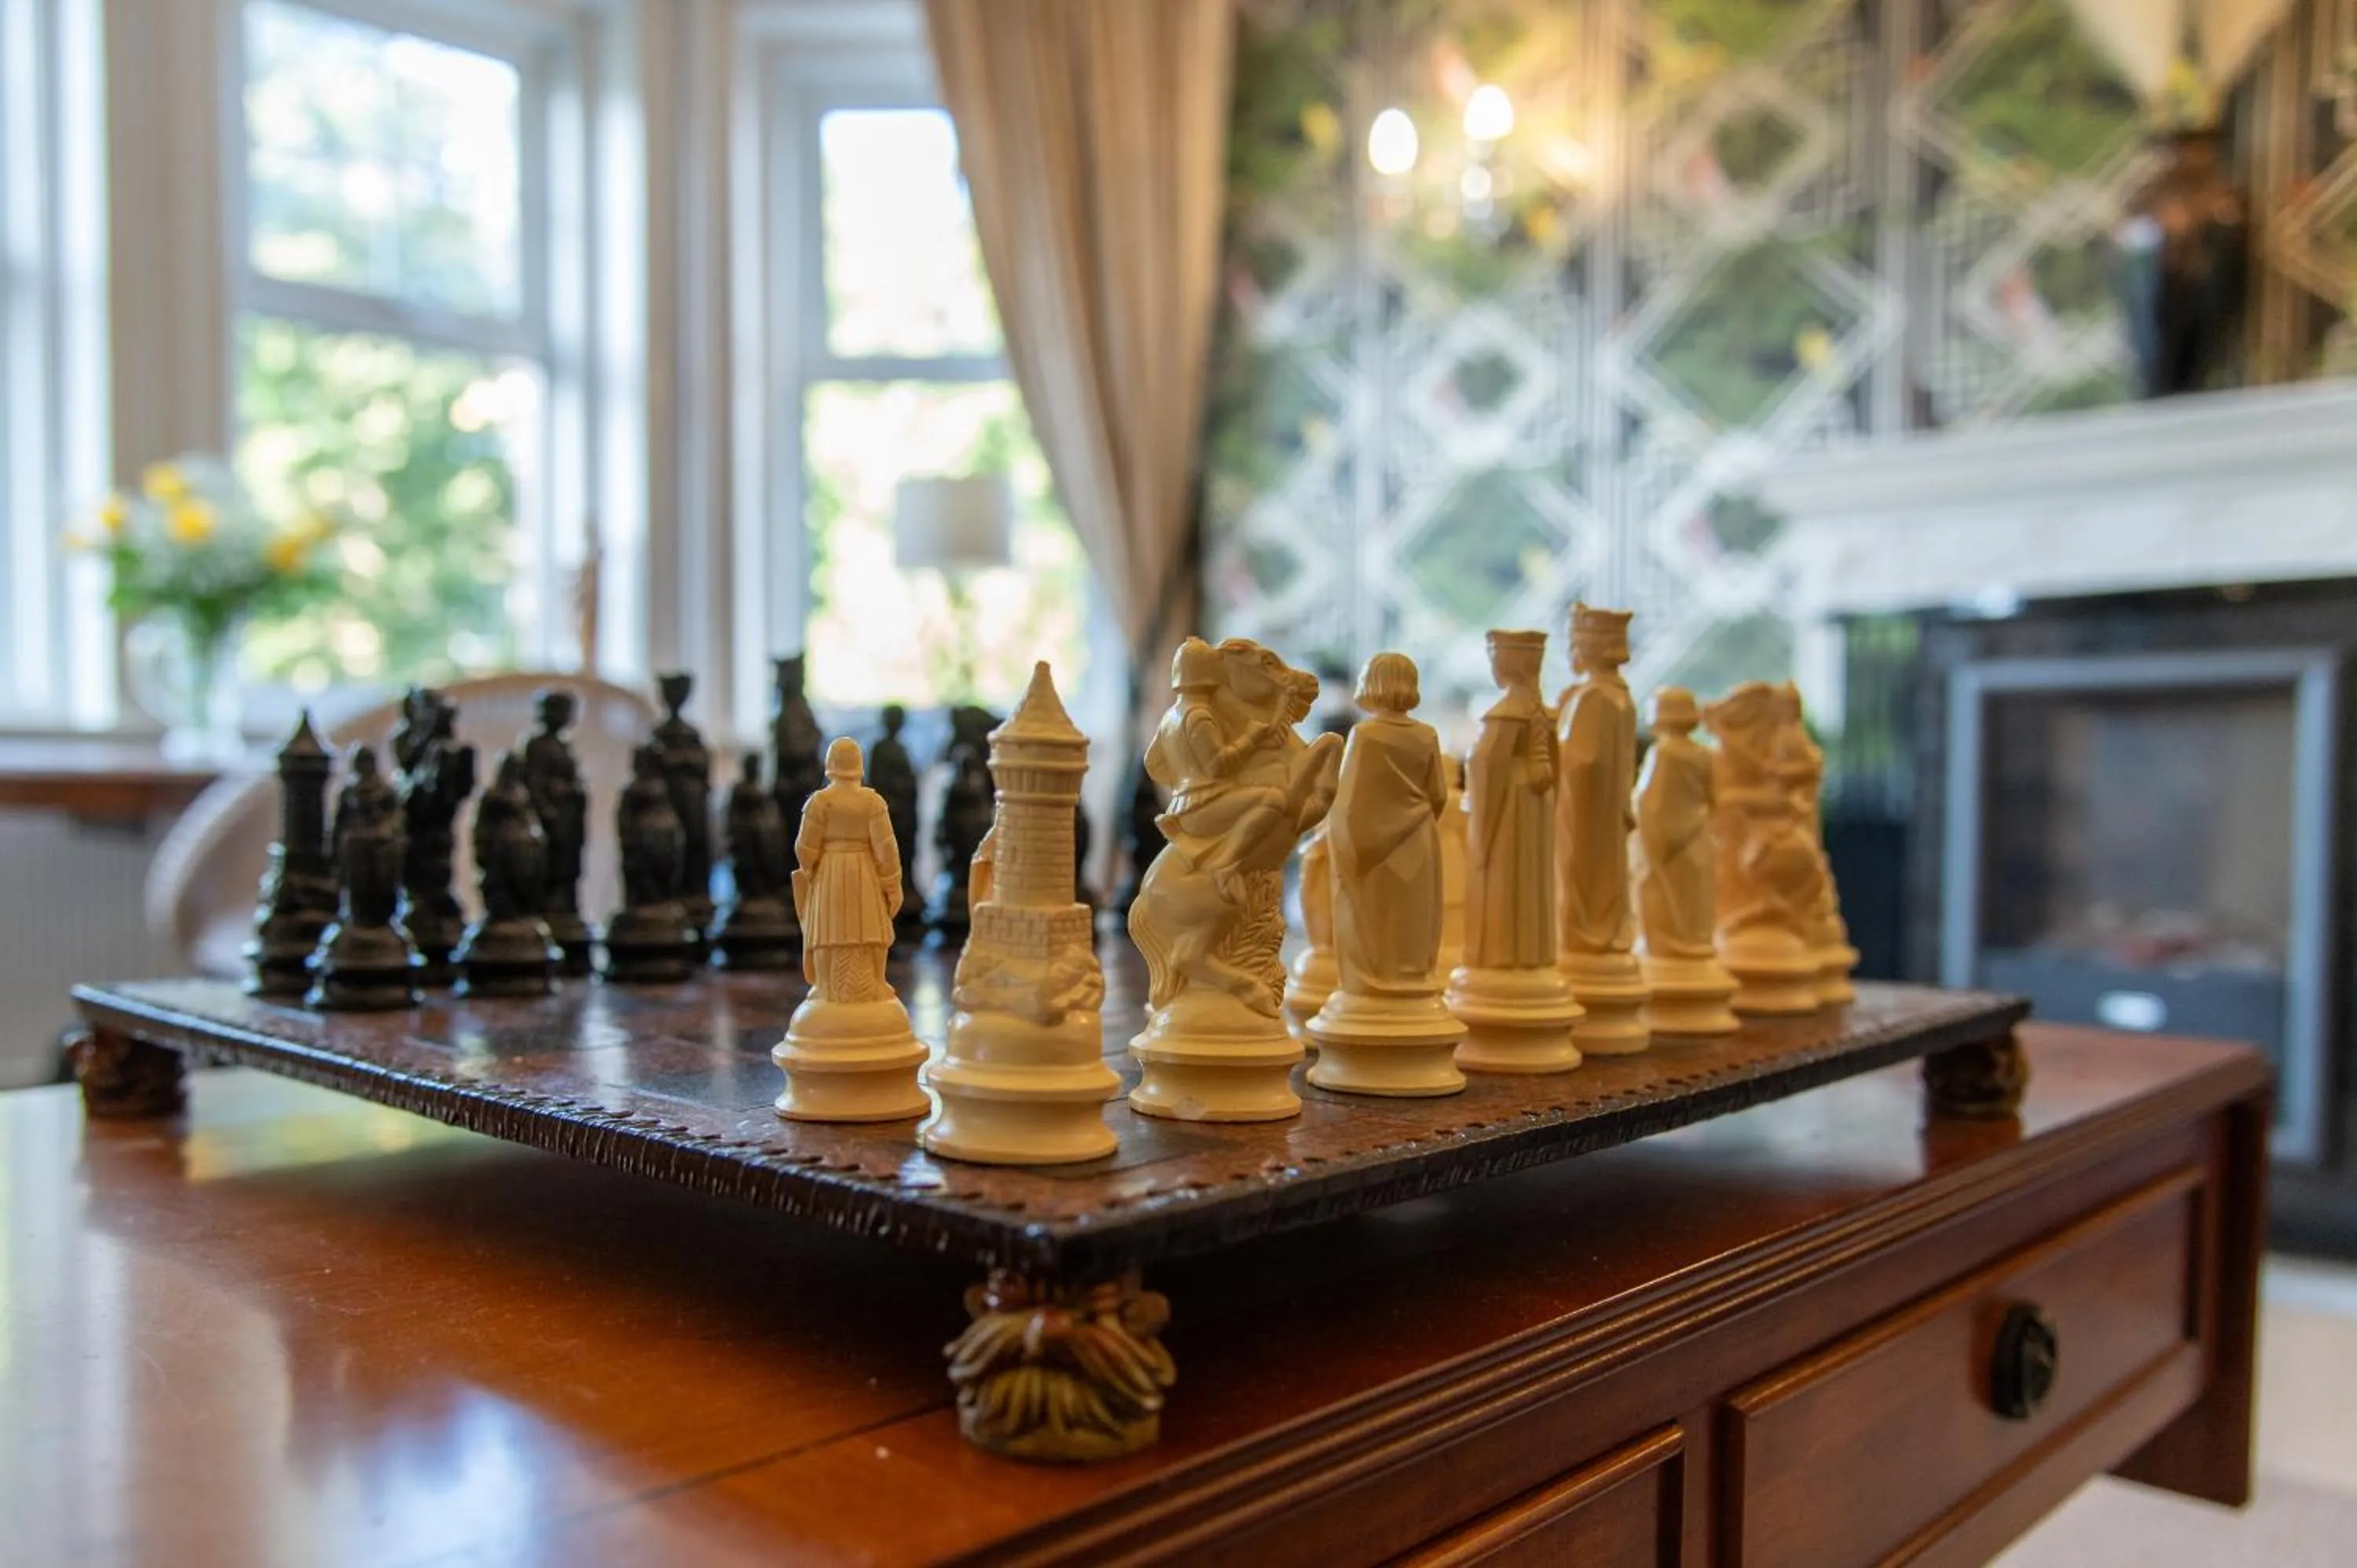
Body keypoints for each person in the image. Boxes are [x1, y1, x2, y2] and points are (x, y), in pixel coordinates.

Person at [1326, 651, 1448, 993]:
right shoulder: (1427, 735)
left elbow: (1347, 798)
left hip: (1371, 845)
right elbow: (1438, 794)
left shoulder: (1365, 735)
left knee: (1376, 918)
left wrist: (1346, 842)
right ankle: (1410, 981)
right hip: (1420, 839)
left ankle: (1375, 984)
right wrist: (1416, 817)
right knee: (1413, 917)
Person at [792, 738, 902, 998]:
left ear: (830, 765)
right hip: (865, 870)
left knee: (826, 930)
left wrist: (810, 868)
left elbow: (805, 848)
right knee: (872, 928)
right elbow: (887, 850)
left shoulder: (819, 802)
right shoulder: (873, 803)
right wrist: (892, 884)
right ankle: (876, 981)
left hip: (829, 871)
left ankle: (825, 985)